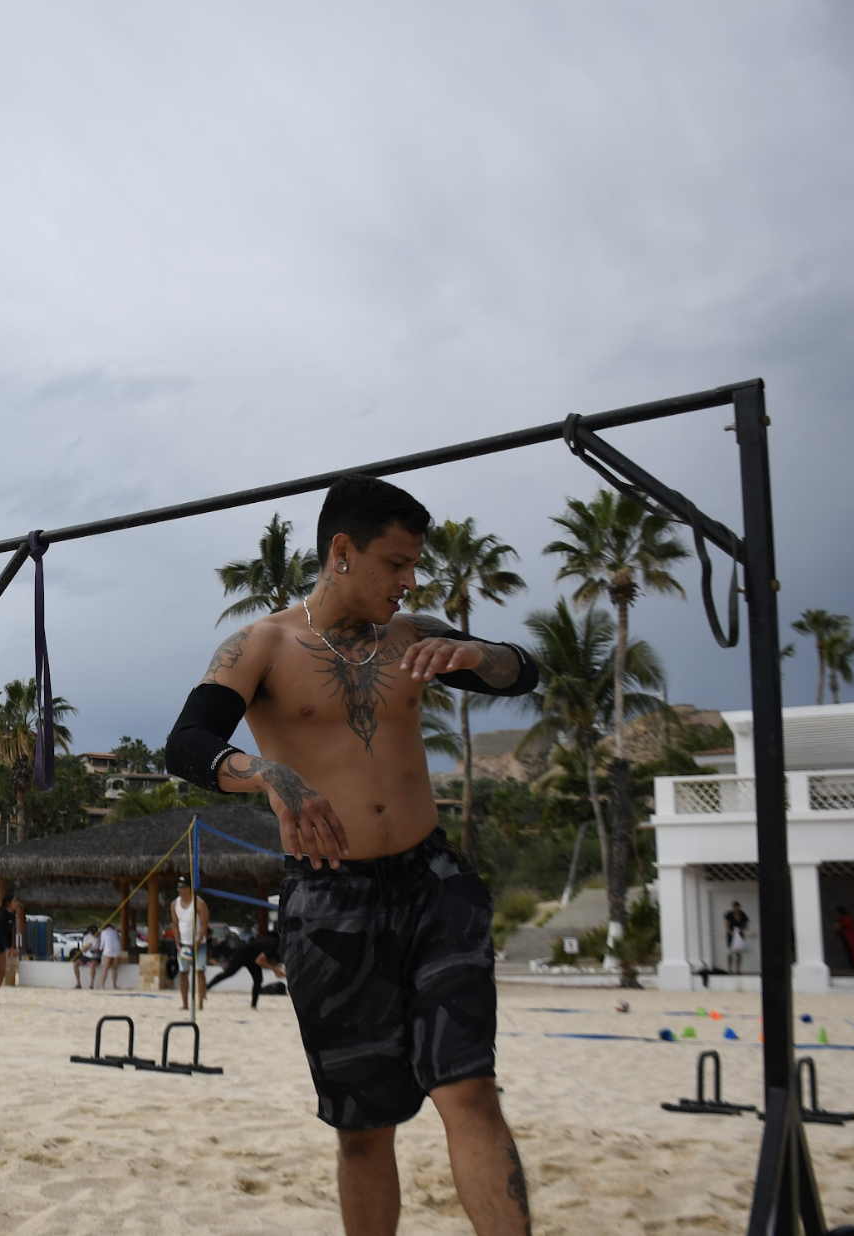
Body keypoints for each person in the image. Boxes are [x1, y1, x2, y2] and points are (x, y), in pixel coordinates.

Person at [165, 473, 540, 1236]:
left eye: (415, 566)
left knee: (470, 1091)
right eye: (396, 563)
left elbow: (522, 671)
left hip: (433, 883)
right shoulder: (263, 644)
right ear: (342, 551)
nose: (410, 582)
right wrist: (268, 774)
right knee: (364, 1128)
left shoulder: (413, 635)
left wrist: (479, 653)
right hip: (330, 899)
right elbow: (187, 743)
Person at [207, 924, 277, 1008]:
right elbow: (261, 961)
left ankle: (254, 1005)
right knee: (228, 973)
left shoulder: (273, 945)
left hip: (253, 958)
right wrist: (275, 969)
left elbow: (265, 959)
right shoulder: (274, 945)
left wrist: (275, 969)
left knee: (258, 980)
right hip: (243, 954)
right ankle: (207, 987)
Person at [170, 877, 210, 1011]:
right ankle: (185, 1004)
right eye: (178, 887)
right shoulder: (174, 904)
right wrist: (177, 942)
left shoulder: (199, 903)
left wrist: (198, 942)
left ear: (189, 888)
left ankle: (200, 1004)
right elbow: (175, 925)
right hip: (183, 943)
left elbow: (204, 925)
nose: (179, 889)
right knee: (183, 973)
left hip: (199, 943)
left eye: (182, 887)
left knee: (199, 972)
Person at [724, 901, 750, 975]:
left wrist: (741, 929)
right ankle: (729, 969)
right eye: (735, 907)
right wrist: (731, 932)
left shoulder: (743, 914)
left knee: (738, 953)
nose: (736, 909)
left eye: (737, 907)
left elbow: (746, 925)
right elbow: (727, 925)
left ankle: (737, 970)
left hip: (739, 934)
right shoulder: (729, 914)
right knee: (730, 952)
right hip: (731, 935)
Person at [96, 921, 123, 989]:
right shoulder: (115, 932)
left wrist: (99, 949)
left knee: (105, 968)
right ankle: (114, 985)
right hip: (117, 949)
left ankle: (103, 986)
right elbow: (119, 941)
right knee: (114, 968)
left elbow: (102, 944)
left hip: (108, 949)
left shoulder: (104, 932)